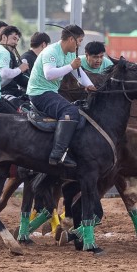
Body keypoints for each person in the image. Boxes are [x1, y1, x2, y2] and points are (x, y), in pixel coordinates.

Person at [26, 25, 94, 168]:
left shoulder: (70, 53)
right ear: (71, 39)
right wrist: (71, 66)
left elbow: (78, 73)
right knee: (70, 111)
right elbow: (49, 74)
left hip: (51, 92)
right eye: (79, 41)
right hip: (39, 93)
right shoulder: (51, 52)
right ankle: (57, 154)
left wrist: (91, 86)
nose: (80, 45)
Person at [3, 31, 49, 99]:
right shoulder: (26, 58)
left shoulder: (37, 58)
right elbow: (21, 78)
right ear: (44, 44)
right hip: (29, 95)